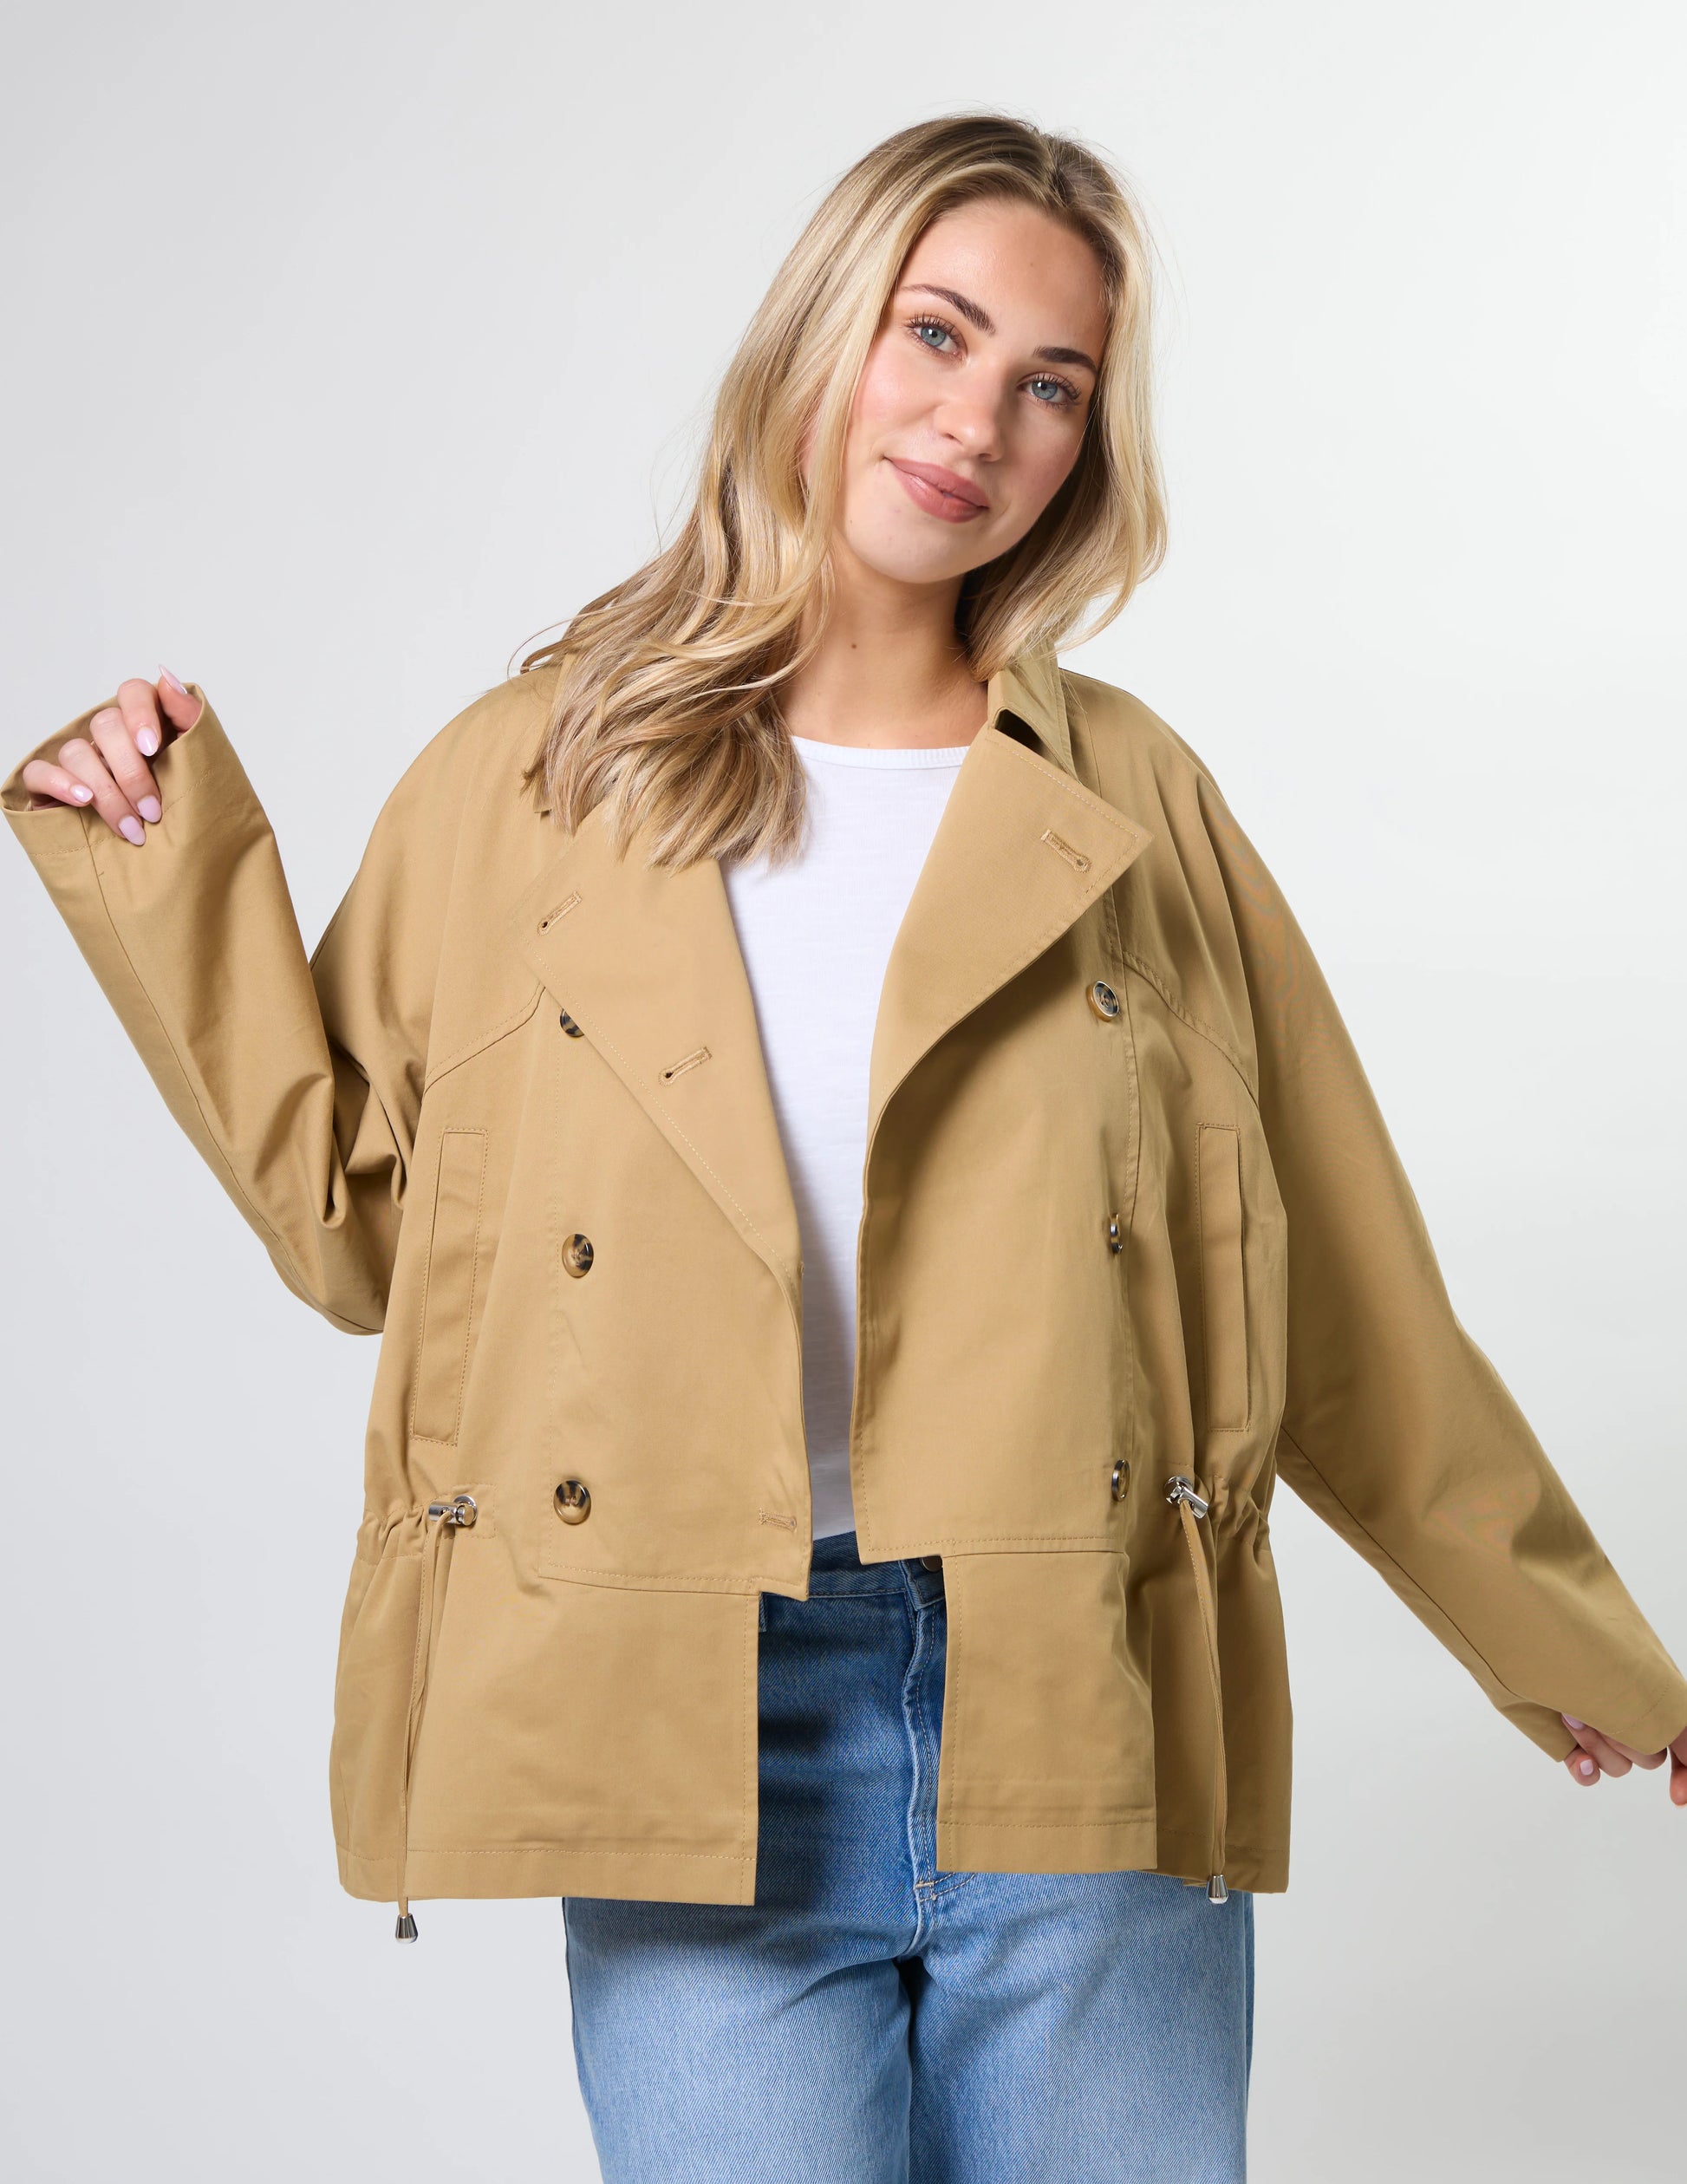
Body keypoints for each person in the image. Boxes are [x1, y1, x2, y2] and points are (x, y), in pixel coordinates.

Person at [5, 112, 1684, 2184]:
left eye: (1049, 383)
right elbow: (357, 1230)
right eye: (936, 333)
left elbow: (1328, 1279)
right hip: (678, 1702)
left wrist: (1579, 1654)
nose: (976, 421)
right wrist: (155, 865)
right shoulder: (531, 780)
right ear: (822, 331)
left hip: (1072, 1683)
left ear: (1085, 449)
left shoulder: (1131, 803)